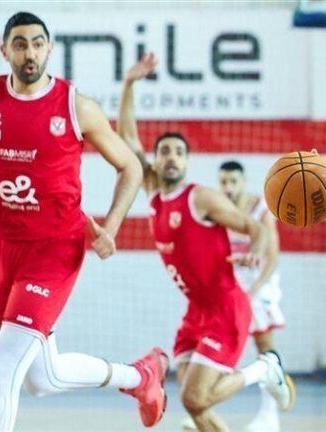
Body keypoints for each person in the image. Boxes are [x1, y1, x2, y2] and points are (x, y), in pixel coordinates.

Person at [0, 12, 167, 431]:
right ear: (5, 51)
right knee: (41, 378)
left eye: (37, 44)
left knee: (2, 366)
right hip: (3, 247)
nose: (30, 53)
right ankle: (140, 377)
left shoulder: (75, 106)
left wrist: (113, 226)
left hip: (54, 250)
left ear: (49, 49)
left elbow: (131, 166)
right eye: (20, 44)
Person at [118, 53, 295, 432]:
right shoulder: (154, 193)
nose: (171, 157)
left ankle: (263, 369)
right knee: (195, 406)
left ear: (186, 162)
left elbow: (257, 228)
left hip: (225, 308)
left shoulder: (200, 198)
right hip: (196, 310)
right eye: (165, 151)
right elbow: (128, 139)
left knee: (196, 398)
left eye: (179, 153)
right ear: (156, 159)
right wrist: (129, 84)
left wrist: (256, 253)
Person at [218, 160, 286, 432]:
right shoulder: (220, 211)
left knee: (264, 345)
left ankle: (270, 415)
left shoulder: (260, 209)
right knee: (216, 343)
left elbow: (272, 257)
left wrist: (255, 290)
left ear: (243, 182)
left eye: (233, 181)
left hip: (259, 283)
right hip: (233, 284)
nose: (228, 187)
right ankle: (204, 406)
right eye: (223, 182)